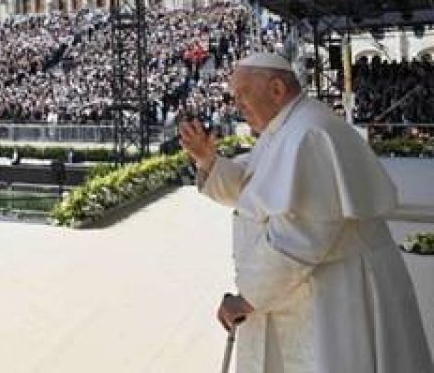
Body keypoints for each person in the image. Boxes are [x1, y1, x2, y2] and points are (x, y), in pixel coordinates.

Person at [180, 52, 432, 373]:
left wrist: (248, 297)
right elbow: (254, 191)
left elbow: (301, 233)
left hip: (334, 297)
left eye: (242, 95)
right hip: (308, 291)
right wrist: (208, 160)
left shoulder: (309, 132)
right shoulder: (285, 128)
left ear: (276, 90)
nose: (237, 105)